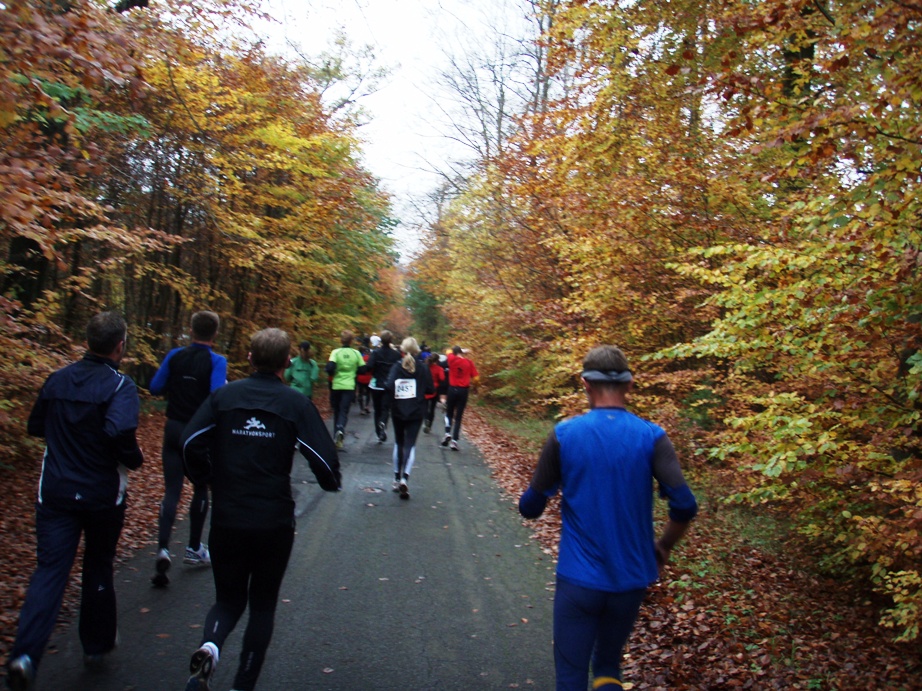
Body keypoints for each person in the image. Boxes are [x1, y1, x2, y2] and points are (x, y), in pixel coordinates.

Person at [518, 345, 698, 690]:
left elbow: (530, 507)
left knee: (571, 675)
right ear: (630, 385)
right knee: (607, 667)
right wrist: (663, 546)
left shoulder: (564, 435)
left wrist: (544, 487)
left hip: (578, 579)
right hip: (630, 580)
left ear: (585, 383)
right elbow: (685, 505)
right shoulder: (653, 437)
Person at [180, 328, 341, 691]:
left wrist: (205, 479)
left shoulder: (224, 397)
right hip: (273, 520)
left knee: (228, 598)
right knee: (263, 605)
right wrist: (329, 482)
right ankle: (242, 684)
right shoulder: (294, 404)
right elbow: (325, 461)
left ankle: (211, 647)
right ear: (287, 362)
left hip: (228, 515)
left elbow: (189, 442)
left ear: (249, 358)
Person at [5, 311, 144, 690]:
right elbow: (119, 433)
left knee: (50, 570)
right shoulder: (120, 387)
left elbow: (36, 426)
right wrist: (134, 460)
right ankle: (95, 646)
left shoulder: (58, 379)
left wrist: (67, 438)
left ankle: (23, 655)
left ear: (88, 342)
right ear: (120, 346)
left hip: (57, 492)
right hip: (101, 493)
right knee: (98, 563)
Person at [148, 310, 227, 587]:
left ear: (191, 330)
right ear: (214, 333)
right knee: (200, 487)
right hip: (198, 432)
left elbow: (155, 386)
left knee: (172, 489)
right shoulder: (217, 361)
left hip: (173, 427)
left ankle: (163, 548)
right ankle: (194, 547)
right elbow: (218, 395)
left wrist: (176, 385)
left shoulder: (174, 356)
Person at [384, 338, 433, 499]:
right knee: (410, 444)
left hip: (398, 409)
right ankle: (405, 477)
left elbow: (389, 386)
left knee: (399, 442)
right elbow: (431, 388)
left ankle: (396, 478)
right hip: (416, 410)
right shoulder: (423, 368)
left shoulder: (397, 367)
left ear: (403, 350)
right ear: (417, 350)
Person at [325, 330, 365, 449]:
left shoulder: (335, 352)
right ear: (351, 341)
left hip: (337, 386)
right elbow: (363, 369)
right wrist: (353, 371)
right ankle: (340, 429)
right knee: (344, 411)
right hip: (349, 386)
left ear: (341, 340)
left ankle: (336, 437)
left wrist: (334, 372)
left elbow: (330, 368)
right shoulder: (356, 353)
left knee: (336, 410)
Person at [440, 345, 479, 451]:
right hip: (463, 391)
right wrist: (475, 387)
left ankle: (447, 433)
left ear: (454, 352)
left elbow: (448, 351)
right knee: (458, 416)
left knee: (449, 413)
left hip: (452, 389)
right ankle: (455, 441)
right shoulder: (469, 362)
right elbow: (476, 378)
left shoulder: (451, 360)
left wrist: (461, 350)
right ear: (462, 353)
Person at [365, 330, 401, 443]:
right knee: (386, 408)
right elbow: (400, 369)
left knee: (377, 409)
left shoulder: (376, 353)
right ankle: (383, 423)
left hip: (376, 385)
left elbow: (369, 366)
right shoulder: (396, 355)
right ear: (391, 340)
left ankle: (378, 432)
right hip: (389, 385)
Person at [422, 352, 444, 434]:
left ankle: (425, 420)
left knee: (425, 406)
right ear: (437, 360)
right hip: (434, 389)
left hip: (425, 388)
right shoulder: (439, 368)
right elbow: (442, 378)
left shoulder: (425, 367)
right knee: (432, 408)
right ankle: (430, 424)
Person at [355, 345, 372, 414]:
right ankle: (366, 406)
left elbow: (356, 368)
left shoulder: (360, 358)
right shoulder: (370, 359)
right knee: (368, 393)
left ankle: (361, 408)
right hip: (368, 378)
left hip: (360, 378)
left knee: (360, 393)